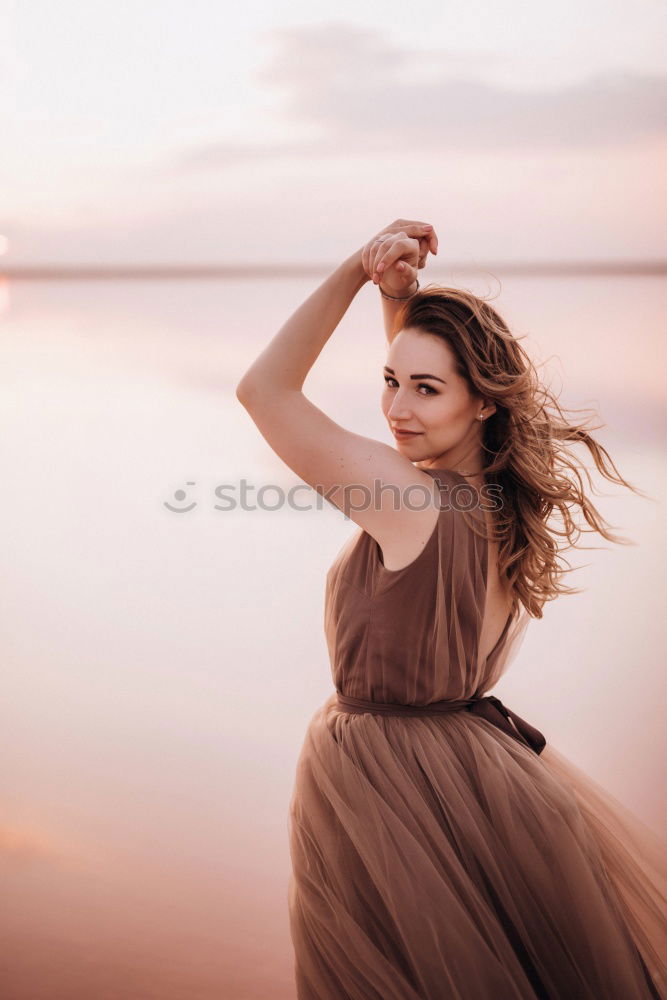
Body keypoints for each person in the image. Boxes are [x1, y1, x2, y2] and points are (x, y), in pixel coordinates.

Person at [235, 218, 667, 998]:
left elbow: (261, 391)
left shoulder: (407, 499)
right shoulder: (501, 499)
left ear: (482, 404)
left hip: (386, 782)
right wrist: (405, 303)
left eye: (423, 390)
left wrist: (357, 271)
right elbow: (436, 400)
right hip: (470, 772)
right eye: (388, 381)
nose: (396, 409)